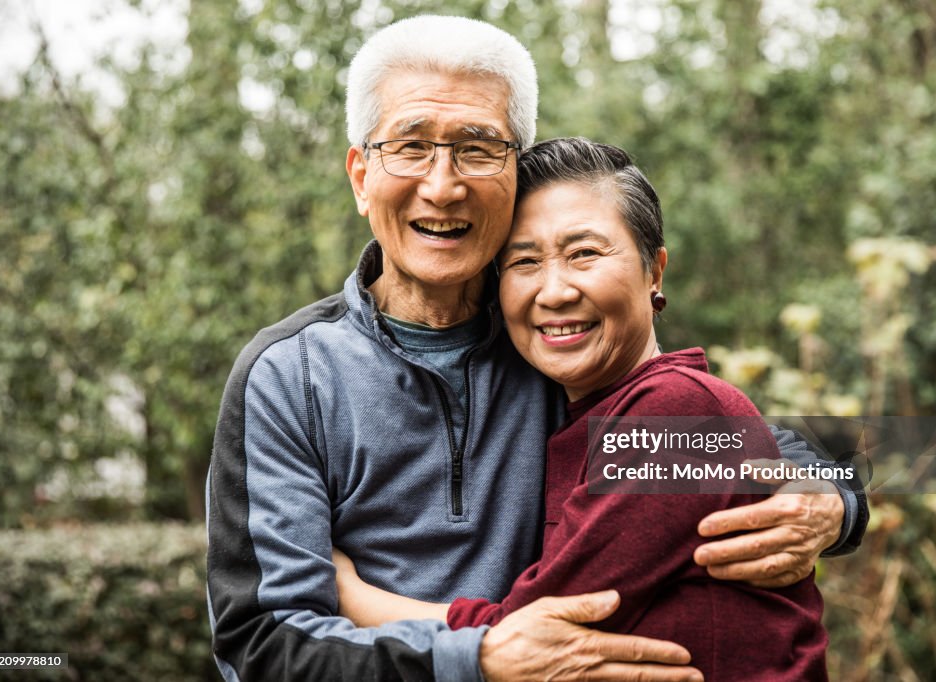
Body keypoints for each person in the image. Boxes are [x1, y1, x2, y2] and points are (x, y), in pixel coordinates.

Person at [206, 15, 867, 682]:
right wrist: (475, 661)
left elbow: (711, 432)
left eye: (477, 148)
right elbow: (261, 646)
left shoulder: (555, 341)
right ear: (360, 176)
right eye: (409, 148)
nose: (442, 185)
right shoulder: (290, 374)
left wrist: (834, 499)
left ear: (512, 175)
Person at [332, 138, 830, 680]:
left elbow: (529, 634)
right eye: (524, 261)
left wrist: (350, 595)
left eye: (584, 253)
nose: (554, 291)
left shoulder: (675, 412)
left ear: (654, 271)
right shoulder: (573, 410)